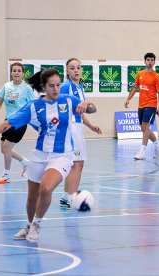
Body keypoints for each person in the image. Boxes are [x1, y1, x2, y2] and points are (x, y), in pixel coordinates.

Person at [0, 69, 96, 243]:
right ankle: (28, 224)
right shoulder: (34, 106)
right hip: (40, 154)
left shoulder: (69, 101)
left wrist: (86, 103)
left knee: (46, 188)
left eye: (58, 85)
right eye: (51, 86)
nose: (56, 89)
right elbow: (8, 123)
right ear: (43, 87)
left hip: (62, 155)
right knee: (32, 198)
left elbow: (92, 109)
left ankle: (37, 225)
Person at [59, 58, 102, 209]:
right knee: (77, 163)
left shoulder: (80, 88)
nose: (76, 70)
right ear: (67, 71)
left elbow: (80, 112)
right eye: (72, 68)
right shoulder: (65, 87)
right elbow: (61, 108)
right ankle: (73, 199)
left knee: (75, 163)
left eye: (78, 67)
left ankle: (66, 197)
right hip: (70, 127)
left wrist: (90, 126)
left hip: (78, 126)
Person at [0, 62, 35, 184]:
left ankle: (6, 176)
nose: (16, 73)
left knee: (7, 148)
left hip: (19, 122)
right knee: (4, 150)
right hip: (7, 121)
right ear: (11, 72)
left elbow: (33, 105)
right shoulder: (6, 86)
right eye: (14, 71)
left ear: (22, 73)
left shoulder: (27, 88)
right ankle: (26, 163)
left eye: (19, 71)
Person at [124, 52, 159, 160]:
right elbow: (135, 87)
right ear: (145, 61)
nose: (150, 62)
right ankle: (158, 146)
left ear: (154, 62)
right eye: (148, 60)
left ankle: (143, 151)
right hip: (141, 105)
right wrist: (128, 99)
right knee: (144, 128)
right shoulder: (140, 74)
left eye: (152, 60)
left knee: (146, 126)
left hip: (151, 105)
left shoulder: (156, 77)